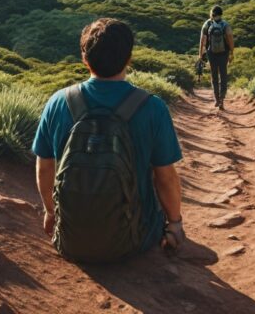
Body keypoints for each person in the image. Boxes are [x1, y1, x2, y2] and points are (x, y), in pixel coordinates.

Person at [33, 18, 185, 263]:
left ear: (84, 58)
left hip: (70, 238)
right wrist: (175, 224)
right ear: (129, 59)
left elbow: (44, 166)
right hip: (136, 240)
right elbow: (165, 177)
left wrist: (51, 212)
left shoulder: (58, 102)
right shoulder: (152, 108)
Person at [199, 5, 234, 110]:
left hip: (211, 53)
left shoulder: (207, 24)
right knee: (223, 75)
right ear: (221, 14)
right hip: (224, 53)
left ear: (212, 14)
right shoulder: (225, 24)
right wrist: (232, 52)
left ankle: (217, 99)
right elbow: (230, 38)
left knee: (214, 75)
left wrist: (200, 54)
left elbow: (202, 40)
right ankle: (222, 99)